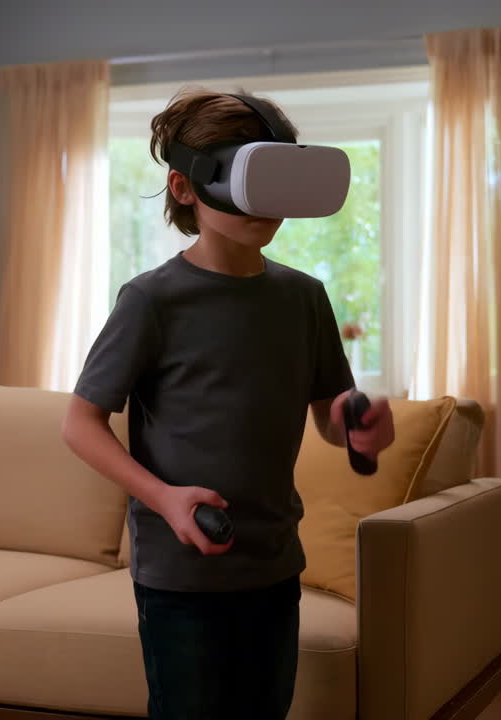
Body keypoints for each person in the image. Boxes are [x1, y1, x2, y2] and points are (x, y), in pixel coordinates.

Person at [61, 88, 396, 720]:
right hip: (181, 575)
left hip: (274, 564)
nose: (264, 205)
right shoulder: (151, 301)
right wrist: (163, 498)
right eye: (248, 178)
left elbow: (329, 412)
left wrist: (356, 426)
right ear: (186, 188)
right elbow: (80, 423)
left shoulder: (303, 298)